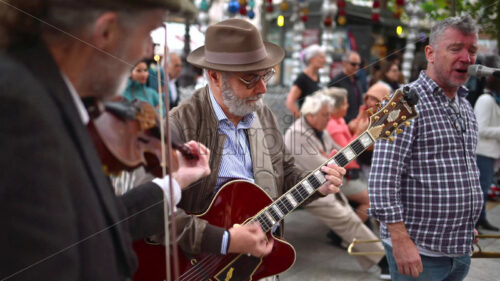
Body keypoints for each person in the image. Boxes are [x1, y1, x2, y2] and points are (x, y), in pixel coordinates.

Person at [0, 1, 212, 280]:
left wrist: (176, 182)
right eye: (149, 33)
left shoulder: (48, 97)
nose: (148, 52)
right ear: (107, 31)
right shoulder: (20, 111)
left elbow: (97, 225)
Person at [169, 18, 345, 266]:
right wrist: (224, 239)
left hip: (256, 262)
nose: (262, 88)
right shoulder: (179, 124)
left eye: (266, 75)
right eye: (250, 78)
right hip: (196, 265)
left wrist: (319, 184)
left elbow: (284, 174)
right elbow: (151, 211)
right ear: (215, 76)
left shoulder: (261, 113)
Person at [368, 14, 482, 280]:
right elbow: (382, 180)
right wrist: (400, 241)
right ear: (430, 53)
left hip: (458, 248)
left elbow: (461, 170)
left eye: (472, 50)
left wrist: (465, 223)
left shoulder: (464, 104)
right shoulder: (400, 103)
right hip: (419, 253)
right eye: (455, 49)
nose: (466, 58)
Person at [284, 92, 390, 279]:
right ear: (311, 116)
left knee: (350, 214)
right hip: (302, 190)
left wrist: (329, 157)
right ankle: (381, 260)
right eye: (325, 115)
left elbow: (340, 155)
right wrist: (328, 158)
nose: (328, 118)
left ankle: (377, 256)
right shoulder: (296, 134)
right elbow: (324, 168)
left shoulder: (319, 128)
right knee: (345, 217)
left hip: (320, 186)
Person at [324, 88, 371, 224]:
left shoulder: (339, 120)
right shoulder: (334, 127)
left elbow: (349, 138)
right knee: (370, 200)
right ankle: (350, 234)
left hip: (350, 174)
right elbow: (348, 157)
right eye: (345, 104)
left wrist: (360, 117)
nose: (348, 106)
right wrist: (360, 133)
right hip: (343, 176)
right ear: (336, 107)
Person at [475, 73, 500, 231]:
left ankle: (481, 218)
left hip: (490, 152)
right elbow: (481, 128)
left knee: (483, 188)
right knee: (481, 188)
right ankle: (477, 220)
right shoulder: (486, 100)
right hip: (483, 152)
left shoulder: (493, 99)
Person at [285, 44, 325, 118]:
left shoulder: (317, 76)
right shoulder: (302, 78)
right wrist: (301, 119)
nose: (324, 60)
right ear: (312, 59)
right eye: (321, 57)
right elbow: (290, 102)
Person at [328, 51, 364, 124]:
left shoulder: (357, 80)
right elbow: (332, 108)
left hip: (357, 123)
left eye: (359, 64)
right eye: (353, 64)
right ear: (344, 63)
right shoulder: (336, 82)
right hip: (343, 124)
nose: (357, 67)